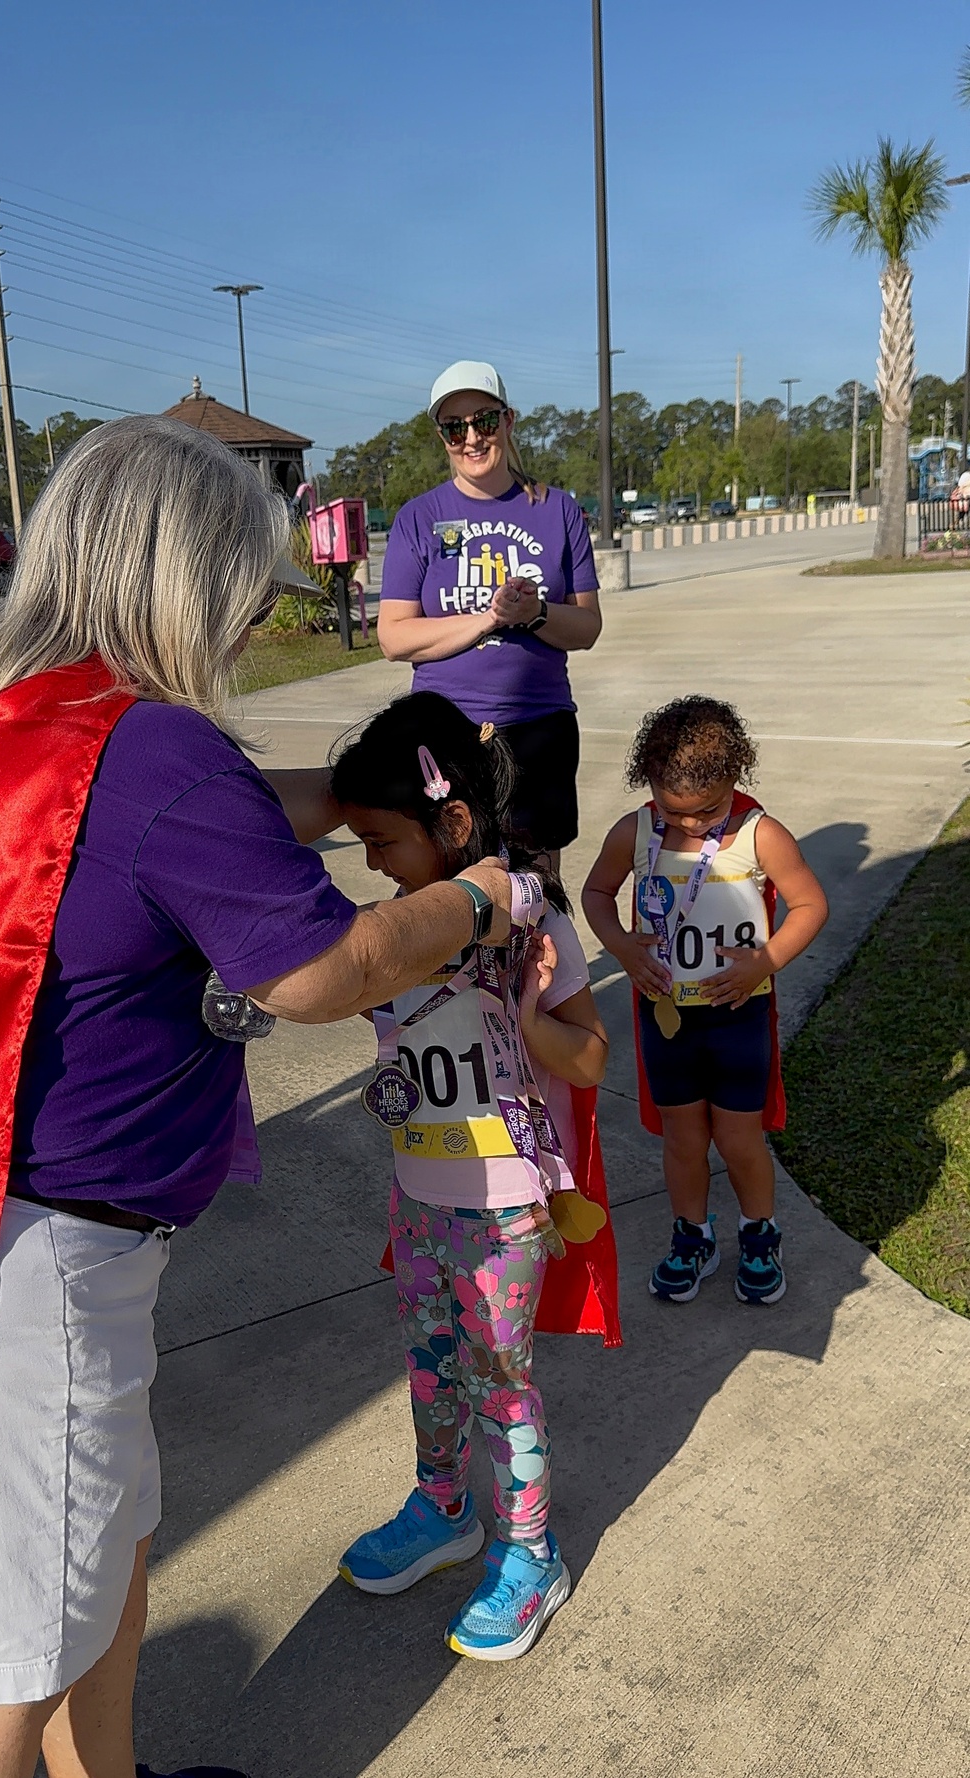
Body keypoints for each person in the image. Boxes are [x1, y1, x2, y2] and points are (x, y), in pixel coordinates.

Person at [0, 417, 517, 1778]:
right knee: (23, 1636)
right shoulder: (157, 747)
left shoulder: (22, 705)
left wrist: (342, 790)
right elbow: (322, 970)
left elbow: (181, 821)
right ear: (183, 575)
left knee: (110, 1541)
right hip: (54, 1263)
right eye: (245, 580)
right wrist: (472, 899)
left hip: (26, 1230)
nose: (255, 607)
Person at [329, 691, 619, 1662]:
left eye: (381, 837)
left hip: (503, 1210)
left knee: (501, 1379)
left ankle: (529, 1551)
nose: (369, 859)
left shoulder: (536, 933)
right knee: (429, 1367)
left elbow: (590, 1059)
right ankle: (442, 1504)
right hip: (418, 1199)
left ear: (453, 824)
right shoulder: (395, 932)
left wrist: (534, 1018)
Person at [582, 696, 827, 1306]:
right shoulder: (634, 831)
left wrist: (765, 961)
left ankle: (759, 1232)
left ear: (735, 780)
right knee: (683, 1138)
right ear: (651, 786)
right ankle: (693, 1235)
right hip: (666, 1016)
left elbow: (810, 905)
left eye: (707, 810)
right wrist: (622, 947)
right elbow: (595, 892)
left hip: (737, 1013)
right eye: (674, 809)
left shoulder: (759, 833)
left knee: (742, 1140)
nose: (690, 824)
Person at [376, 360, 602, 863]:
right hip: (445, 732)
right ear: (442, 436)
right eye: (455, 427)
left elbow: (587, 626)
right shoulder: (418, 517)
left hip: (538, 727)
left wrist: (535, 612)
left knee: (536, 884)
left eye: (485, 420)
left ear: (509, 421)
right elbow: (393, 637)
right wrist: (491, 618)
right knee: (451, 884)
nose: (472, 437)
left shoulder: (558, 510)